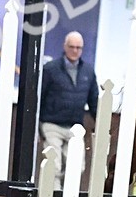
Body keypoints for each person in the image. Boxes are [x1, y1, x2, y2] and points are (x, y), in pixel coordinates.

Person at [39, 31, 99, 188]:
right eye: (72, 47)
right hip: (52, 124)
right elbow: (40, 96)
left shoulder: (88, 71)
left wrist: (100, 123)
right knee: (54, 166)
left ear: (82, 49)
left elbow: (94, 100)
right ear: (65, 47)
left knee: (77, 167)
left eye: (78, 47)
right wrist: (39, 125)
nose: (75, 50)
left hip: (75, 126)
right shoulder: (50, 69)